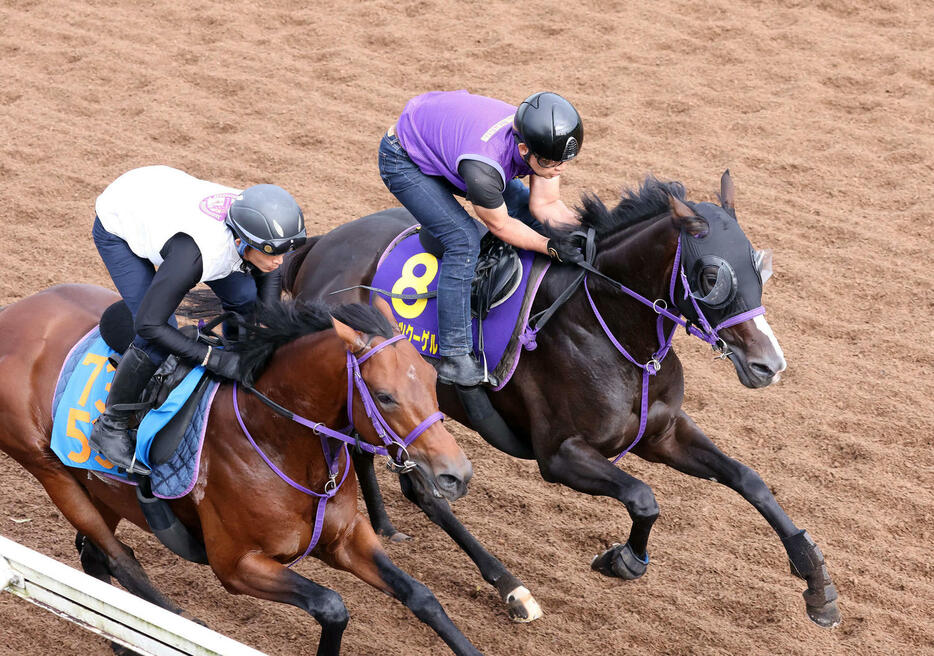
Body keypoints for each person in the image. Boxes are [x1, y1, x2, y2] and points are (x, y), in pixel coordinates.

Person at [88, 165, 306, 474]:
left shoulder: (256, 227)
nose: (279, 261)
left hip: (162, 196)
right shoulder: (198, 254)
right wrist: (212, 359)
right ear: (243, 243)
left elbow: (271, 275)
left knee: (245, 297)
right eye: (271, 252)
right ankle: (110, 426)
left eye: (285, 251)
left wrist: (259, 338)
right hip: (120, 223)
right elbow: (149, 324)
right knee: (158, 337)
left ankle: (234, 360)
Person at [378, 90, 585, 387]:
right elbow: (500, 225)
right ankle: (454, 355)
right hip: (403, 158)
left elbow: (545, 206)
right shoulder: (485, 168)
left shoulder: (540, 137)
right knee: (462, 241)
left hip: (448, 139)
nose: (561, 169)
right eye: (553, 164)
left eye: (564, 162)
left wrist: (584, 234)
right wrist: (548, 245)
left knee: (527, 212)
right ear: (525, 149)